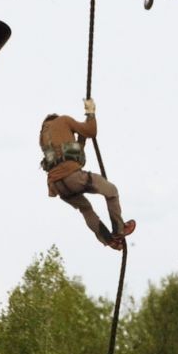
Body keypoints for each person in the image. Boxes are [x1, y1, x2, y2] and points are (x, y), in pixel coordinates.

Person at [40, 99, 135, 250]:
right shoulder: (63, 120)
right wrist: (90, 113)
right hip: (73, 177)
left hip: (58, 186)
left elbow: (75, 158)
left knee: (86, 210)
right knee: (111, 191)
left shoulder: (44, 139)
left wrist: (81, 138)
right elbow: (92, 131)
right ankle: (119, 230)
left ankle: (109, 240)